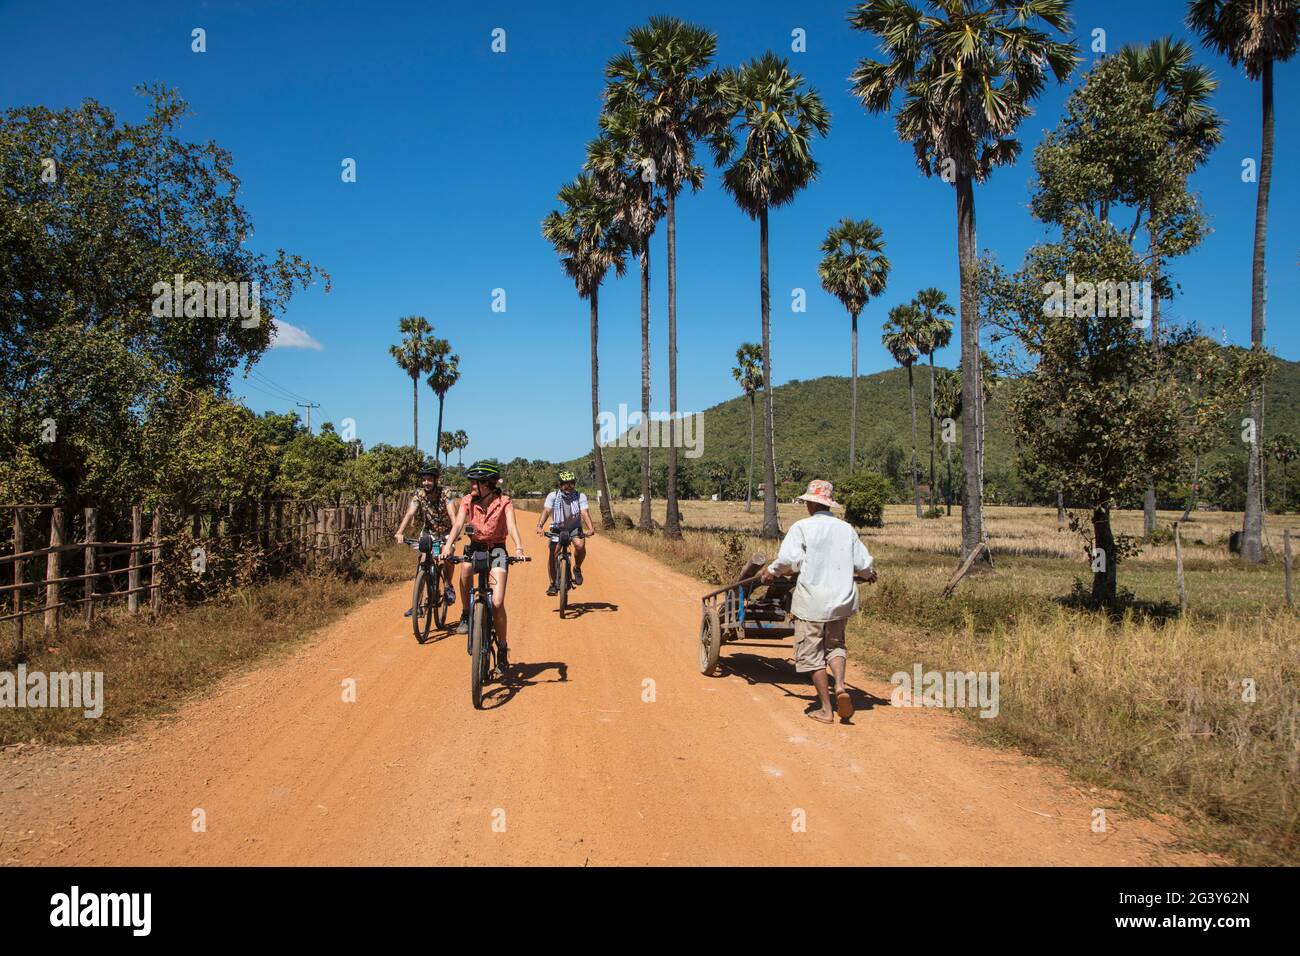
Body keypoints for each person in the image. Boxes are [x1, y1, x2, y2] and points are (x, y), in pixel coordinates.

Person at [760, 479, 877, 724]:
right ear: (828, 504)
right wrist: (869, 574)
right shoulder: (846, 529)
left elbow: (789, 560)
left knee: (812, 655)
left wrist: (772, 571)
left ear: (810, 504)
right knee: (835, 646)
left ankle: (826, 708)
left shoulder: (802, 527)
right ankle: (842, 686)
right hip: (841, 601)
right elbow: (864, 564)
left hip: (812, 602)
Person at [441, 460, 526, 669]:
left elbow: (511, 525)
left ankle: (503, 647)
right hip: (475, 547)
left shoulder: (504, 501)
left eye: (474, 482)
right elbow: (458, 524)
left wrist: (519, 548)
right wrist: (448, 546)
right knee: (466, 569)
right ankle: (466, 614)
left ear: (486, 484)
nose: (471, 486)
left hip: (497, 549)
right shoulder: (467, 501)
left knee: (497, 602)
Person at [393, 462, 457, 611]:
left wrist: (453, 537)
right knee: (423, 560)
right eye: (423, 480)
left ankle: (448, 585)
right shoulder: (419, 494)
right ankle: (418, 604)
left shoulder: (445, 493)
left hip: (447, 532)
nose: (426, 483)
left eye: (429, 480)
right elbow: (410, 513)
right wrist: (400, 532)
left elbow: (453, 515)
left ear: (435, 480)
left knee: (448, 556)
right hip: (429, 532)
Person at [535, 470, 595, 595]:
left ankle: (577, 568)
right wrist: (540, 526)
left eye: (571, 484)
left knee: (580, 545)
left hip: (574, 528)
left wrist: (590, 528)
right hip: (557, 528)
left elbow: (584, 512)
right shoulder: (553, 496)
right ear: (560, 485)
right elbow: (546, 511)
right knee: (553, 554)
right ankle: (552, 584)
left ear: (574, 484)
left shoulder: (580, 496)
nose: (568, 487)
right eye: (565, 484)